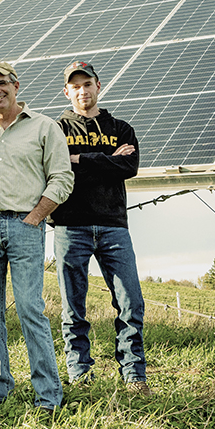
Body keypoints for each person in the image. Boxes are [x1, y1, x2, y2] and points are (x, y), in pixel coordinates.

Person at [0, 61, 74, 413]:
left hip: (25, 226)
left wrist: (35, 217)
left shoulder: (44, 127)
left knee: (30, 309)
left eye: (1, 83)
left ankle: (48, 396)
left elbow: (61, 178)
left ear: (16, 85)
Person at [49, 61, 151, 395]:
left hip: (113, 226)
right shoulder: (55, 129)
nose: (82, 91)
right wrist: (106, 160)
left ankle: (134, 375)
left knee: (130, 302)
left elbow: (129, 165)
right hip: (69, 225)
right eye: (75, 86)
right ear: (67, 91)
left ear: (98, 85)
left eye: (87, 84)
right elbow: (54, 164)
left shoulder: (121, 128)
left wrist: (78, 159)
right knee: (73, 306)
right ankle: (80, 373)